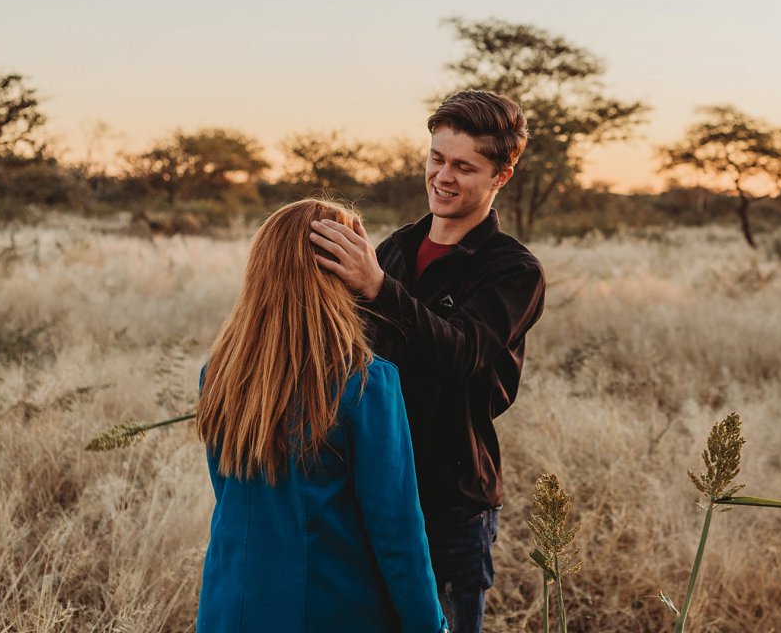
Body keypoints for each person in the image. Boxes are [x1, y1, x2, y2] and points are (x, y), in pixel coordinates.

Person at [309, 90, 546, 632]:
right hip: (367, 491)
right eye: (437, 158)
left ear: (500, 177)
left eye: (464, 166)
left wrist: (376, 286)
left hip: (449, 505)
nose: (443, 176)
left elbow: (461, 352)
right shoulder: (392, 249)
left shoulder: (512, 270)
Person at [196, 198, 447, 633]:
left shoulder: (219, 373)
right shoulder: (365, 384)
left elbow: (230, 493)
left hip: (229, 606)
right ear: (338, 274)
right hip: (331, 610)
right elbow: (397, 533)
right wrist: (431, 625)